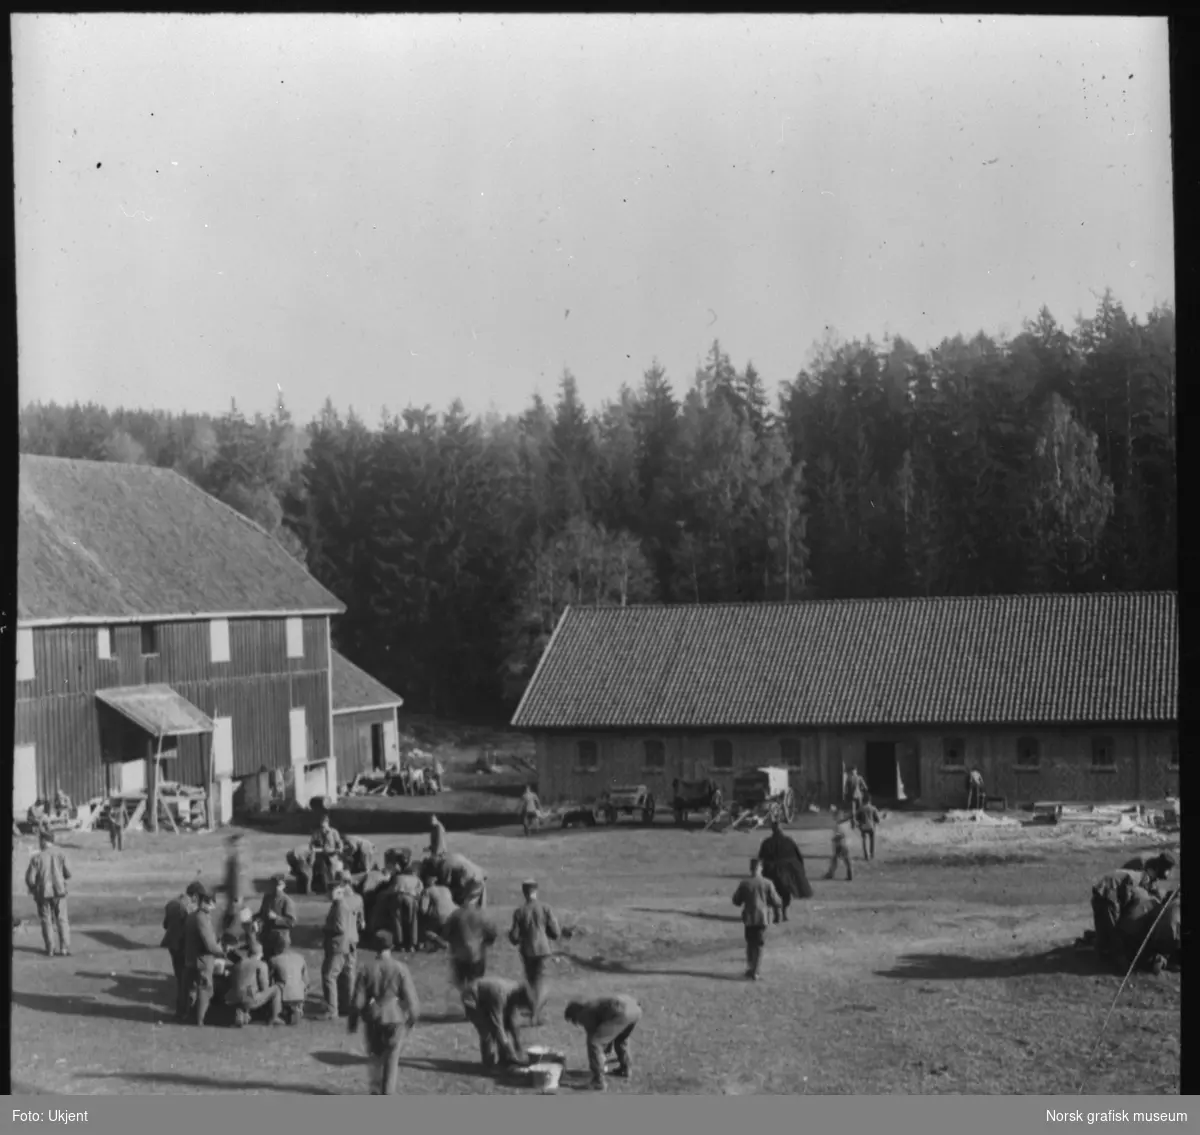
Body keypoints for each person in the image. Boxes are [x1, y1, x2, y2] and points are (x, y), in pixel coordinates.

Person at [349, 930, 421, 1095]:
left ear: (374, 947)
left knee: (375, 1060)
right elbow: (412, 1001)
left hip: (374, 1018)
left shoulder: (366, 969)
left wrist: (353, 1021)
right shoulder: (400, 968)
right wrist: (412, 1020)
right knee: (391, 1061)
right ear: (392, 946)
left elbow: (357, 1001)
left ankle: (375, 1092)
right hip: (395, 1018)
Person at [564, 995, 643, 1092]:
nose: (577, 1023)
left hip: (621, 1011)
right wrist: (605, 1051)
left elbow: (596, 1038)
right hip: (634, 1009)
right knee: (621, 1039)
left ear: (574, 1014)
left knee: (594, 1043)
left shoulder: (584, 1013)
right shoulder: (592, 1005)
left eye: (573, 1020)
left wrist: (602, 1055)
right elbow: (606, 1034)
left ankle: (598, 1082)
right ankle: (625, 1069)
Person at [508, 879, 560, 1023]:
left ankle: (533, 1010)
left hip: (527, 951)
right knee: (542, 982)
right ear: (536, 891)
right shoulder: (545, 908)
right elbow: (555, 933)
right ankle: (536, 1013)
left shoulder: (519, 911)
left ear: (524, 892)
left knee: (531, 982)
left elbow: (514, 937)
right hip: (544, 950)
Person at [461, 977, 533, 1070]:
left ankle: (504, 1061)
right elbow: (497, 1025)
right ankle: (488, 1065)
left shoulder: (514, 995)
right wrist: (511, 1051)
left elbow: (511, 1022)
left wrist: (517, 1045)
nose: (519, 1007)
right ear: (520, 998)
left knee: (504, 1027)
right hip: (472, 998)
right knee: (487, 1032)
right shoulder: (500, 995)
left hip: (486, 999)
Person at [184, 886, 227, 1026]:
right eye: (213, 903)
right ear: (209, 902)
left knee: (192, 987)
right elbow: (209, 944)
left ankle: (188, 1013)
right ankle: (200, 1020)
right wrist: (223, 953)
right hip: (203, 959)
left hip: (192, 956)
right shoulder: (202, 918)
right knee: (205, 987)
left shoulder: (193, 916)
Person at [25, 829, 72, 958]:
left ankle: (50, 948)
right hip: (60, 891)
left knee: (46, 920)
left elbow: (30, 879)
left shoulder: (37, 857)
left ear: (44, 841)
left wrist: (34, 890)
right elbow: (68, 874)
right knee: (62, 919)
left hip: (43, 893)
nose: (39, 842)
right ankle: (64, 948)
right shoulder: (61, 854)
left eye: (40, 840)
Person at [732, 858, 782, 981]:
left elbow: (736, 901)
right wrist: (777, 914)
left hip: (749, 918)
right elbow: (777, 901)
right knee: (759, 944)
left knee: (750, 943)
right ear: (761, 868)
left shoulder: (744, 884)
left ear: (750, 868)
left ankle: (750, 967)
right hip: (763, 917)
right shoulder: (767, 883)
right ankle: (756, 970)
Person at [757, 820, 813, 922]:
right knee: (786, 894)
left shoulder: (766, 842)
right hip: (787, 872)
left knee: (773, 893)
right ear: (781, 829)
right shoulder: (789, 841)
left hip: (772, 872)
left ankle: (776, 912)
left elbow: (761, 858)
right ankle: (783, 912)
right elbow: (799, 857)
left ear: (772, 830)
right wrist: (800, 872)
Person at [162, 882, 203, 1020]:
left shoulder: (171, 904)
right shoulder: (189, 907)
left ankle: (181, 1009)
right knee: (186, 981)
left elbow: (165, 924)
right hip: (182, 947)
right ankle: (184, 1011)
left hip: (172, 946)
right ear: (196, 896)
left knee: (180, 978)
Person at [320, 876, 359, 1018]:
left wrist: (326, 929)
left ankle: (331, 1010)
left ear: (338, 891)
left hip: (338, 944)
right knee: (347, 975)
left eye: (331, 891)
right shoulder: (349, 902)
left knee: (329, 976)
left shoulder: (339, 905)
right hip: (349, 943)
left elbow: (340, 927)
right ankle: (347, 1005)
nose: (328, 894)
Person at [225, 940, 284, 1027]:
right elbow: (264, 986)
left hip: (233, 997)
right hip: (249, 995)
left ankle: (241, 1014)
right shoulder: (260, 964)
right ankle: (274, 1017)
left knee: (246, 989)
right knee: (276, 989)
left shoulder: (238, 964)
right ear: (260, 953)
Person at [444, 904, 499, 993]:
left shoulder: (455, 915)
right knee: (476, 984)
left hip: (459, 956)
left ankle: (464, 1001)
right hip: (476, 956)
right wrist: (484, 942)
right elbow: (492, 933)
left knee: (460, 986)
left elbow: (445, 935)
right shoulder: (481, 915)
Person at [377, 854, 424, 953]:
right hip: (411, 898)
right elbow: (420, 892)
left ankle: (400, 944)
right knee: (413, 922)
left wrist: (382, 895)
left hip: (398, 897)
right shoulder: (416, 879)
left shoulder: (397, 878)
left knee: (397, 921)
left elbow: (390, 890)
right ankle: (412, 945)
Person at [265, 930, 309, 1024]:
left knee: (275, 988)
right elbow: (306, 981)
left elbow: (267, 982)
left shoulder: (273, 960)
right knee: (300, 984)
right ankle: (298, 1008)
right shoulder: (300, 957)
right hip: (299, 994)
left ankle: (275, 1015)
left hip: (284, 994)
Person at [419, 876, 457, 949]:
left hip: (439, 914)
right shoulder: (446, 889)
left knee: (427, 931)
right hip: (453, 912)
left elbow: (423, 908)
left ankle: (442, 943)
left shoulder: (427, 890)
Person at [310, 814, 345, 893]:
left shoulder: (333, 832)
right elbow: (311, 843)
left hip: (332, 855)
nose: (323, 826)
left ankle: (333, 890)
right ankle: (323, 890)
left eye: (324, 823)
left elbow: (339, 842)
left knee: (332, 873)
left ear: (327, 823)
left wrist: (340, 848)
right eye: (322, 823)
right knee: (321, 873)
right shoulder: (316, 832)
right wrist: (313, 848)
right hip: (320, 856)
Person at [221, 832, 247, 934]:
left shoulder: (235, 859)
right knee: (235, 916)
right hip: (234, 893)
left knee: (234, 916)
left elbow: (236, 878)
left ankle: (223, 937)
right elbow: (234, 878)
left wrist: (237, 895)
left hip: (235, 894)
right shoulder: (235, 859)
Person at [824, 814, 854, 881]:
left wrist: (834, 838)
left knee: (838, 860)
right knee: (840, 860)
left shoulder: (839, 825)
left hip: (840, 844)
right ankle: (849, 875)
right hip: (844, 844)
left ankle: (831, 874)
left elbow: (841, 835)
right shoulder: (845, 825)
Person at [855, 794, 882, 861]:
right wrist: (876, 821)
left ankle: (866, 855)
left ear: (863, 800)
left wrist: (859, 825)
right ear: (869, 800)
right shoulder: (873, 808)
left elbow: (857, 818)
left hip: (863, 827)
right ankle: (871, 854)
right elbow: (877, 819)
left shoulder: (860, 808)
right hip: (871, 827)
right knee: (872, 839)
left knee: (864, 840)